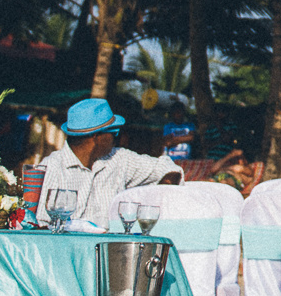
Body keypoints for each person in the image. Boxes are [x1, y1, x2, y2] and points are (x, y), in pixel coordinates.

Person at [33, 97, 182, 226]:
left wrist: (160, 193)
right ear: (96, 137)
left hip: (111, 248)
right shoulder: (52, 167)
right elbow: (41, 225)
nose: (116, 138)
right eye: (114, 132)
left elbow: (168, 168)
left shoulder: (120, 159)